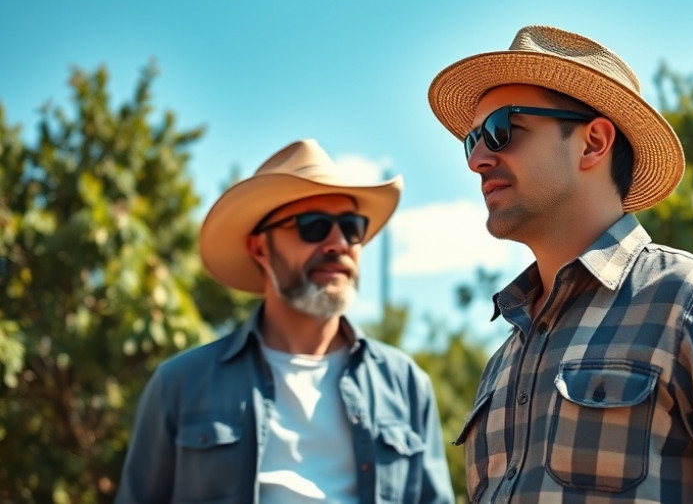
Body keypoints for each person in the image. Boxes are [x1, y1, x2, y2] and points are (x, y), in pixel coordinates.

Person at [428, 25, 693, 503]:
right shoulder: (502, 364)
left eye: (500, 130)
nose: (478, 159)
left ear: (593, 142)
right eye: (472, 141)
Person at [116, 139, 454, 503]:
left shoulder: (405, 384)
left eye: (352, 227)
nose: (338, 242)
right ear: (260, 248)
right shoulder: (181, 384)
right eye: (314, 226)